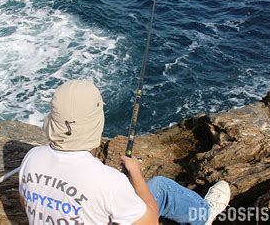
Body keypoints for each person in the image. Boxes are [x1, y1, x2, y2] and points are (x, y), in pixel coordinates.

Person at [19, 80, 230, 224]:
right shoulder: (107, 181)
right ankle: (205, 214)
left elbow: (25, 202)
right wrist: (135, 172)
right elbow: (151, 221)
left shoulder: (32, 158)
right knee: (160, 187)